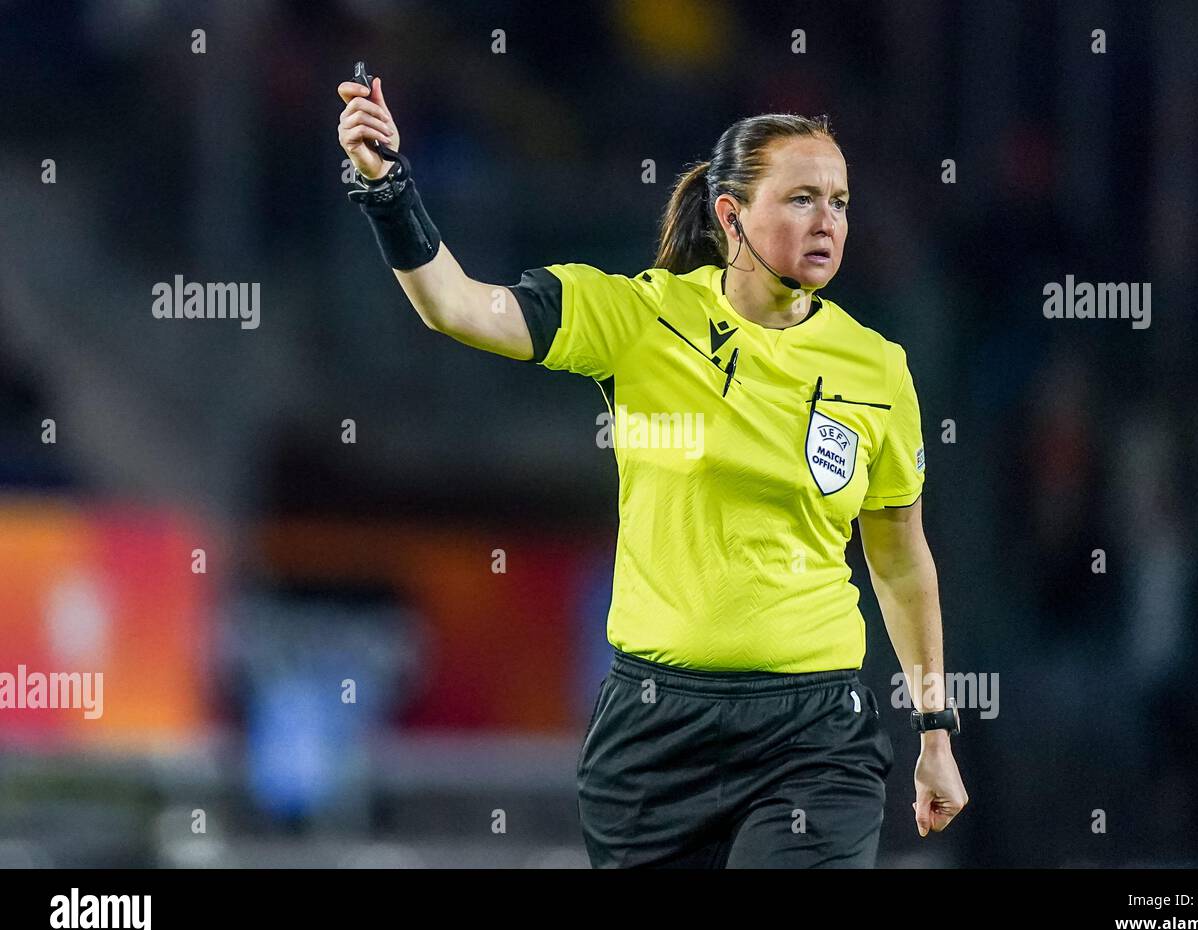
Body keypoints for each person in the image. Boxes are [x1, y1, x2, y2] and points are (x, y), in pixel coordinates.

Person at [337, 74, 968, 868]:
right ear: (732, 216)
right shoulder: (639, 318)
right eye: (802, 198)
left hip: (814, 735)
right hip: (655, 732)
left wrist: (935, 730)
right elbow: (456, 305)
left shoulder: (878, 367)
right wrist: (386, 186)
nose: (828, 222)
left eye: (840, 202)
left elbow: (901, 559)